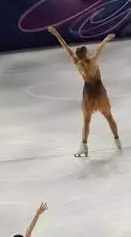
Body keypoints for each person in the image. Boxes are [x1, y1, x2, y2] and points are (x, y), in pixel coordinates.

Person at [46, 27, 121, 158]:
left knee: (86, 121)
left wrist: (56, 34)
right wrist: (106, 39)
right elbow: (99, 49)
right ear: (86, 54)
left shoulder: (77, 63)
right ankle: (117, 141)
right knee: (109, 117)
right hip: (99, 90)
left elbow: (67, 48)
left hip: (88, 92)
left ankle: (84, 146)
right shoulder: (93, 60)